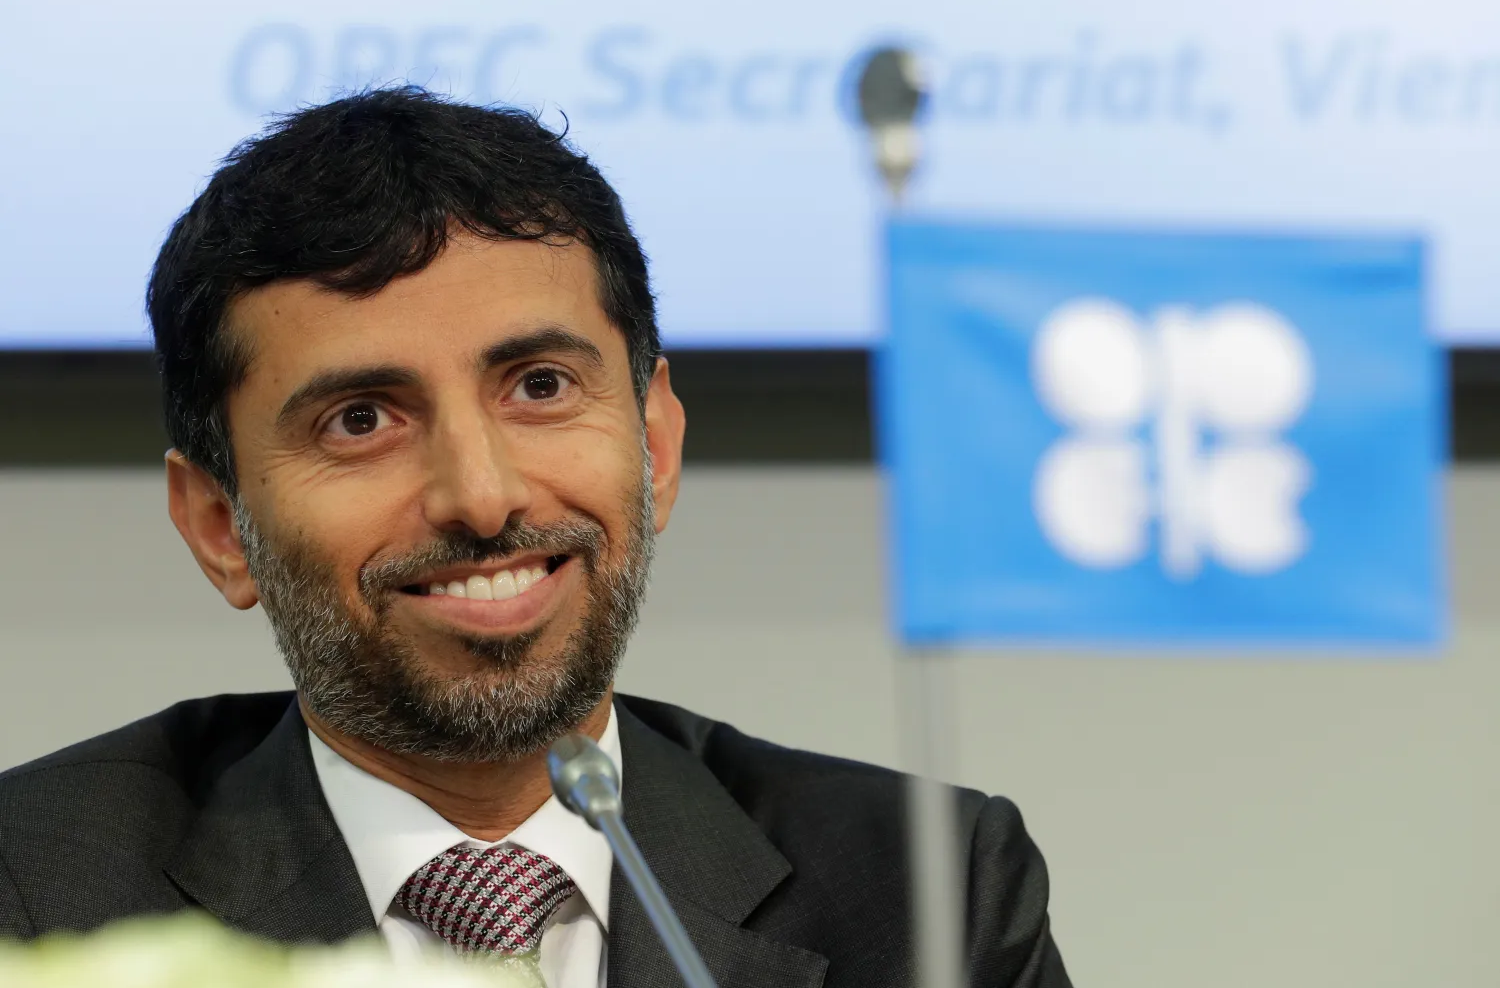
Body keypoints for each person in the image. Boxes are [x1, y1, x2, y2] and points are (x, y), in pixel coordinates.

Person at [0, 87, 1070, 987]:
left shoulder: (927, 892)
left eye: (541, 386)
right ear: (219, 525)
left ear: (654, 444)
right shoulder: (37, 899)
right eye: (362, 418)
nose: (480, 493)